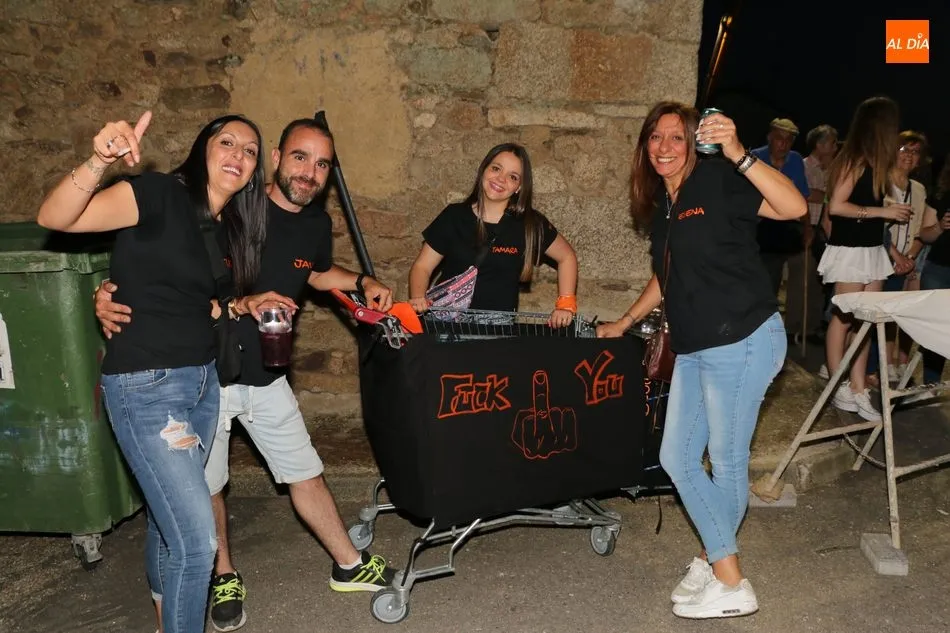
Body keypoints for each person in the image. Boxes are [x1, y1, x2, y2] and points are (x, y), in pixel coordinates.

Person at [94, 118, 398, 631]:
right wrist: (105, 291)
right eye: (299, 157)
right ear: (274, 158)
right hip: (207, 372)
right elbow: (156, 258)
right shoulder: (230, 205)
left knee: (304, 470)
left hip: (267, 373)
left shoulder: (315, 225)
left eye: (322, 164)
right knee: (207, 486)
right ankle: (224, 574)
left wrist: (362, 279)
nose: (309, 172)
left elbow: (315, 271)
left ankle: (348, 563)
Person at [37, 113, 296, 633]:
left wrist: (243, 303)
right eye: (227, 142)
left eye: (250, 150)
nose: (239, 155)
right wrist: (99, 160)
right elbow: (57, 217)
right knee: (198, 544)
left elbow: (204, 306)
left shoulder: (225, 229)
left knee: (166, 523)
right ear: (202, 149)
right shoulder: (158, 194)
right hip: (147, 387)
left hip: (201, 386)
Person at [597, 101, 806, 619]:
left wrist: (738, 152)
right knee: (678, 458)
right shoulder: (666, 206)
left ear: (694, 143)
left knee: (727, 461)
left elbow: (793, 208)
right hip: (693, 345)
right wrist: (625, 321)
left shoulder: (717, 180)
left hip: (743, 338)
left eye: (676, 137)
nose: (664, 147)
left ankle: (730, 582)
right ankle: (715, 558)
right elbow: (666, 274)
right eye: (655, 137)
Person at [407, 143, 578, 325]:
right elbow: (422, 266)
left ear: (519, 187)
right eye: (496, 168)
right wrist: (418, 298)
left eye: (512, 177)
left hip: (497, 332)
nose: (501, 179)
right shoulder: (453, 216)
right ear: (484, 170)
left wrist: (566, 305)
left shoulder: (531, 224)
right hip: (445, 325)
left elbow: (567, 257)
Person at [817, 97, 912, 420]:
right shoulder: (854, 158)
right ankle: (837, 383)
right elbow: (836, 206)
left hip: (871, 250)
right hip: (850, 251)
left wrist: (886, 212)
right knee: (844, 318)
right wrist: (883, 212)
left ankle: (858, 388)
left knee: (867, 320)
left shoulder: (874, 163)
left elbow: (861, 203)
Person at [866, 131, 932, 386]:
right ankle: (869, 368)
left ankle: (883, 366)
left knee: (891, 316)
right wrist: (895, 255)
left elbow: (920, 229)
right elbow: (875, 225)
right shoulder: (879, 182)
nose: (909, 156)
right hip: (878, 256)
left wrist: (910, 257)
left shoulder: (919, 189)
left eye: (915, 152)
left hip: (903, 261)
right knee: (873, 315)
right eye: (904, 149)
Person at [905, 154, 950, 402]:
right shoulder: (941, 194)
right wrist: (940, 227)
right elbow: (925, 234)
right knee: (933, 330)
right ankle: (930, 385)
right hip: (939, 269)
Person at [787, 124, 838, 344]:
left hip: (823, 230)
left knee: (819, 281)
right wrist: (827, 196)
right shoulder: (803, 165)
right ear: (820, 144)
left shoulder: (834, 170)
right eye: (832, 143)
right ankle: (793, 328)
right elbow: (805, 194)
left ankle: (811, 328)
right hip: (803, 227)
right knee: (801, 279)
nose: (835, 148)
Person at [752, 118, 810, 299]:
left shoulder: (795, 160)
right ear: (770, 137)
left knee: (778, 272)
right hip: (757, 223)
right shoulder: (754, 157)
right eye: (779, 138)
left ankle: (770, 305)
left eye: (788, 140)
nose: (783, 144)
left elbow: (802, 196)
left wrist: (807, 228)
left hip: (784, 226)